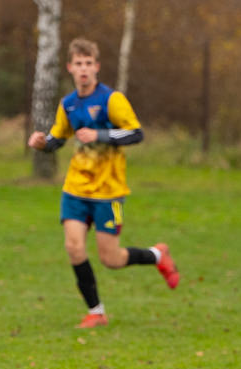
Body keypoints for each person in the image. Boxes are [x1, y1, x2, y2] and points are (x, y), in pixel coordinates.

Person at [28, 38, 179, 328]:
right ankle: (96, 312)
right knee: (74, 247)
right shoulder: (68, 104)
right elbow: (57, 139)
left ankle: (158, 255)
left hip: (109, 192)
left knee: (111, 258)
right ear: (70, 67)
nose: (83, 70)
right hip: (75, 189)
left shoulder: (112, 100)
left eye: (88, 64)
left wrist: (101, 136)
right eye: (78, 64)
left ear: (96, 67)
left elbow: (136, 134)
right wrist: (41, 143)